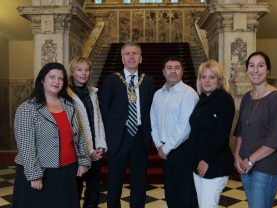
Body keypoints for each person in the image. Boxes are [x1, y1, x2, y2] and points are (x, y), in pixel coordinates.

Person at [12, 62, 91, 208]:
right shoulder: (27, 108)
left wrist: (83, 161)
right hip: (41, 173)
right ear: (42, 80)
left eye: (60, 78)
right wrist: (34, 175)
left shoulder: (69, 106)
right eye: (52, 77)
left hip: (68, 172)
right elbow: (26, 146)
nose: (56, 81)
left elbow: (79, 137)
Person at [99, 43, 155, 208]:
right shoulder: (111, 80)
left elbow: (152, 110)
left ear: (140, 58)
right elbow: (104, 111)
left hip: (139, 136)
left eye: (135, 53)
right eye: (128, 54)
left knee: (139, 182)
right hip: (118, 137)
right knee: (114, 181)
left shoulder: (148, 81)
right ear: (123, 58)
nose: (131, 57)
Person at [234, 51, 277, 208]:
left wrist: (251, 160)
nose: (255, 70)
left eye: (260, 65)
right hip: (245, 165)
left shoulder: (276, 97)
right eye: (251, 66)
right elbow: (240, 131)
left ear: (268, 70)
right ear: (247, 70)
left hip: (266, 167)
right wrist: (237, 156)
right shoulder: (246, 98)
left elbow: (276, 138)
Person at [150, 56, 199, 208]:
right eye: (169, 68)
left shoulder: (188, 93)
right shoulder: (158, 94)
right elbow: (153, 122)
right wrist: (159, 144)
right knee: (171, 193)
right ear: (163, 72)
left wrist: (166, 148)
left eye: (177, 67)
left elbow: (184, 126)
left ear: (182, 71)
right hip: (164, 150)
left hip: (183, 150)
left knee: (186, 194)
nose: (173, 71)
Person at [189, 60, 235, 208]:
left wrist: (206, 161)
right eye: (204, 77)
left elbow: (222, 134)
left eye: (212, 77)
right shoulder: (202, 99)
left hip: (214, 163)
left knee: (207, 205)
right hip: (199, 162)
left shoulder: (224, 99)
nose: (207, 81)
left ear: (219, 80)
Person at [67, 57, 107, 208]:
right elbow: (74, 129)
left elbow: (98, 121)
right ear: (72, 72)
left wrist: (101, 146)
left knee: (94, 192)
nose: (84, 73)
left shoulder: (93, 93)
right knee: (75, 191)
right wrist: (89, 151)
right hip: (77, 151)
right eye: (79, 69)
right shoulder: (66, 95)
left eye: (87, 69)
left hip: (95, 150)